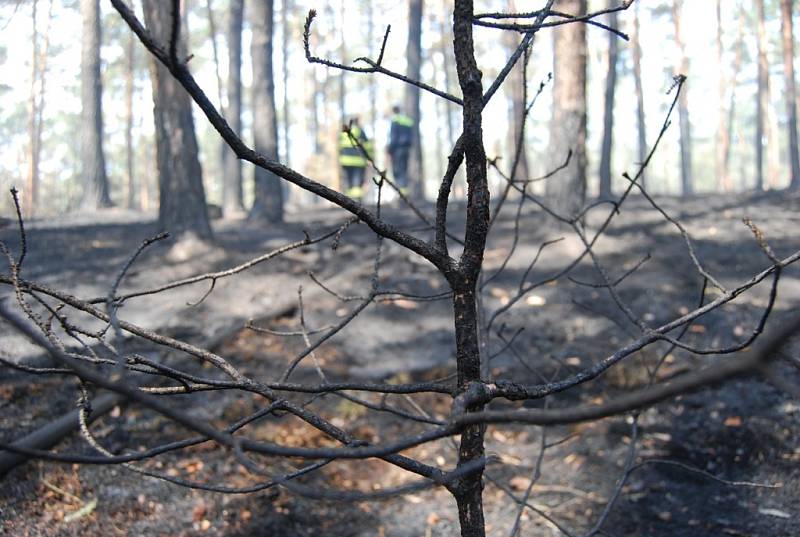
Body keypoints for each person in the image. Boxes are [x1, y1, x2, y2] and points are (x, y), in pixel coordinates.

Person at [338, 117, 373, 200]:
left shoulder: (343, 133)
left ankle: (349, 200)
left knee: (349, 182)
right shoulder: (361, 132)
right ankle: (357, 201)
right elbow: (368, 146)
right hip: (358, 162)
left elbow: (339, 148)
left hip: (345, 162)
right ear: (357, 122)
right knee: (357, 183)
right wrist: (369, 158)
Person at [386, 106, 414, 195]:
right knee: (404, 170)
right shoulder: (407, 121)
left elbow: (393, 137)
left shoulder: (395, 121)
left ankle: (401, 195)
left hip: (397, 150)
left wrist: (390, 150)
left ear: (394, 111)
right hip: (406, 149)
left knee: (398, 171)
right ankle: (404, 193)